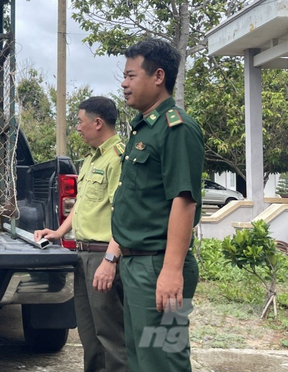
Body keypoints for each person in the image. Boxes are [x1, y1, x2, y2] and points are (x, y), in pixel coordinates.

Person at [113, 38, 204, 371]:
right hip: (137, 265)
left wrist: (171, 270)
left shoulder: (176, 128)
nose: (123, 83)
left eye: (131, 75)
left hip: (158, 266)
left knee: (163, 362)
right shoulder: (144, 129)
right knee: (141, 361)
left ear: (158, 76)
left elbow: (184, 201)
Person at [34, 96, 128, 372]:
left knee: (111, 336)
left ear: (98, 123)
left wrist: (111, 261)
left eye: (80, 121)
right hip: (82, 255)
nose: (77, 127)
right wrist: (59, 232)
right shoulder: (90, 160)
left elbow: (123, 214)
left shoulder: (117, 159)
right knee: (90, 336)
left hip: (103, 256)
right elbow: (82, 204)